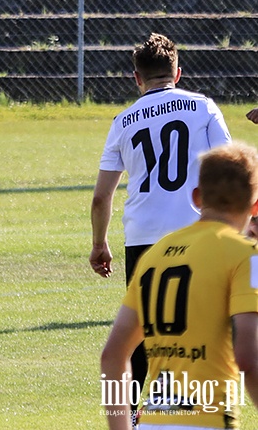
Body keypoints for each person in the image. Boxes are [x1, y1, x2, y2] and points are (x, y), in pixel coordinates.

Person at [90, 33, 231, 388]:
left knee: (139, 339)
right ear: (178, 73)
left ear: (137, 78)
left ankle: (137, 419)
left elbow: (101, 197)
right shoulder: (203, 107)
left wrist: (99, 244)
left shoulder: (123, 121)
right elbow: (230, 170)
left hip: (143, 239)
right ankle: (196, 415)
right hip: (196, 235)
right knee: (198, 333)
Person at [100, 141, 258, 429]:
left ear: (197, 197)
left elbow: (112, 355)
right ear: (255, 202)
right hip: (208, 419)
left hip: (152, 421)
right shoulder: (245, 255)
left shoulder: (155, 255)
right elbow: (248, 356)